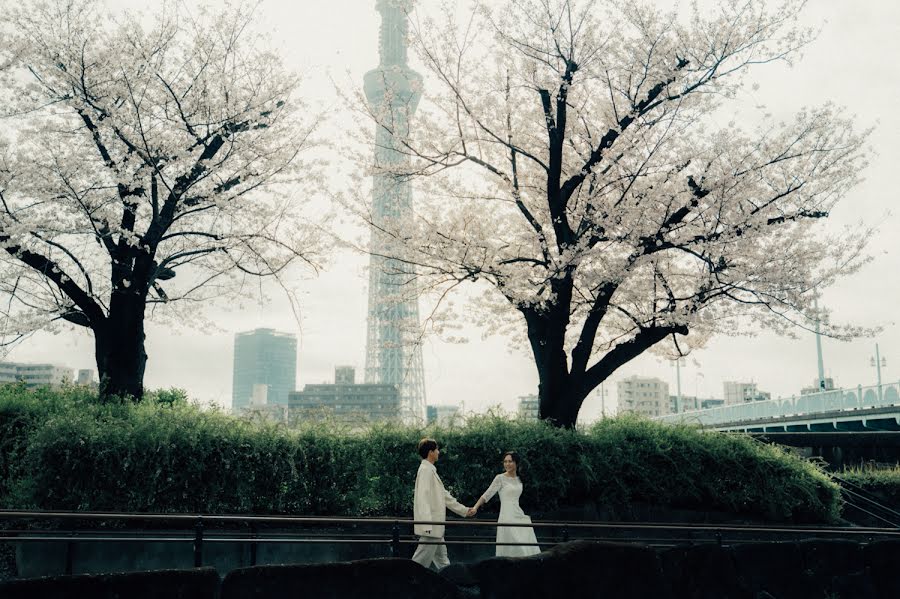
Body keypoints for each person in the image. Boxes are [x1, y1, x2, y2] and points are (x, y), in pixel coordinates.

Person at [411, 438, 473, 569]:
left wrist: (464, 510)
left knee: (443, 561)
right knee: (419, 562)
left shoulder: (430, 470)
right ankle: (406, 584)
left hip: (435, 527)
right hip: (432, 527)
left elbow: (445, 497)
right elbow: (423, 498)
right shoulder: (425, 470)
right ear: (430, 452)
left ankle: (452, 583)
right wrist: (427, 524)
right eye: (437, 449)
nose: (439, 452)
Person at [471, 451, 541, 557]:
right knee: (517, 547)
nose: (507, 464)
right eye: (505, 462)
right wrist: (475, 507)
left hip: (518, 515)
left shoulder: (519, 479)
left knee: (526, 547)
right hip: (507, 516)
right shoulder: (500, 478)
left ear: (516, 463)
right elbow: (487, 494)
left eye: (510, 461)